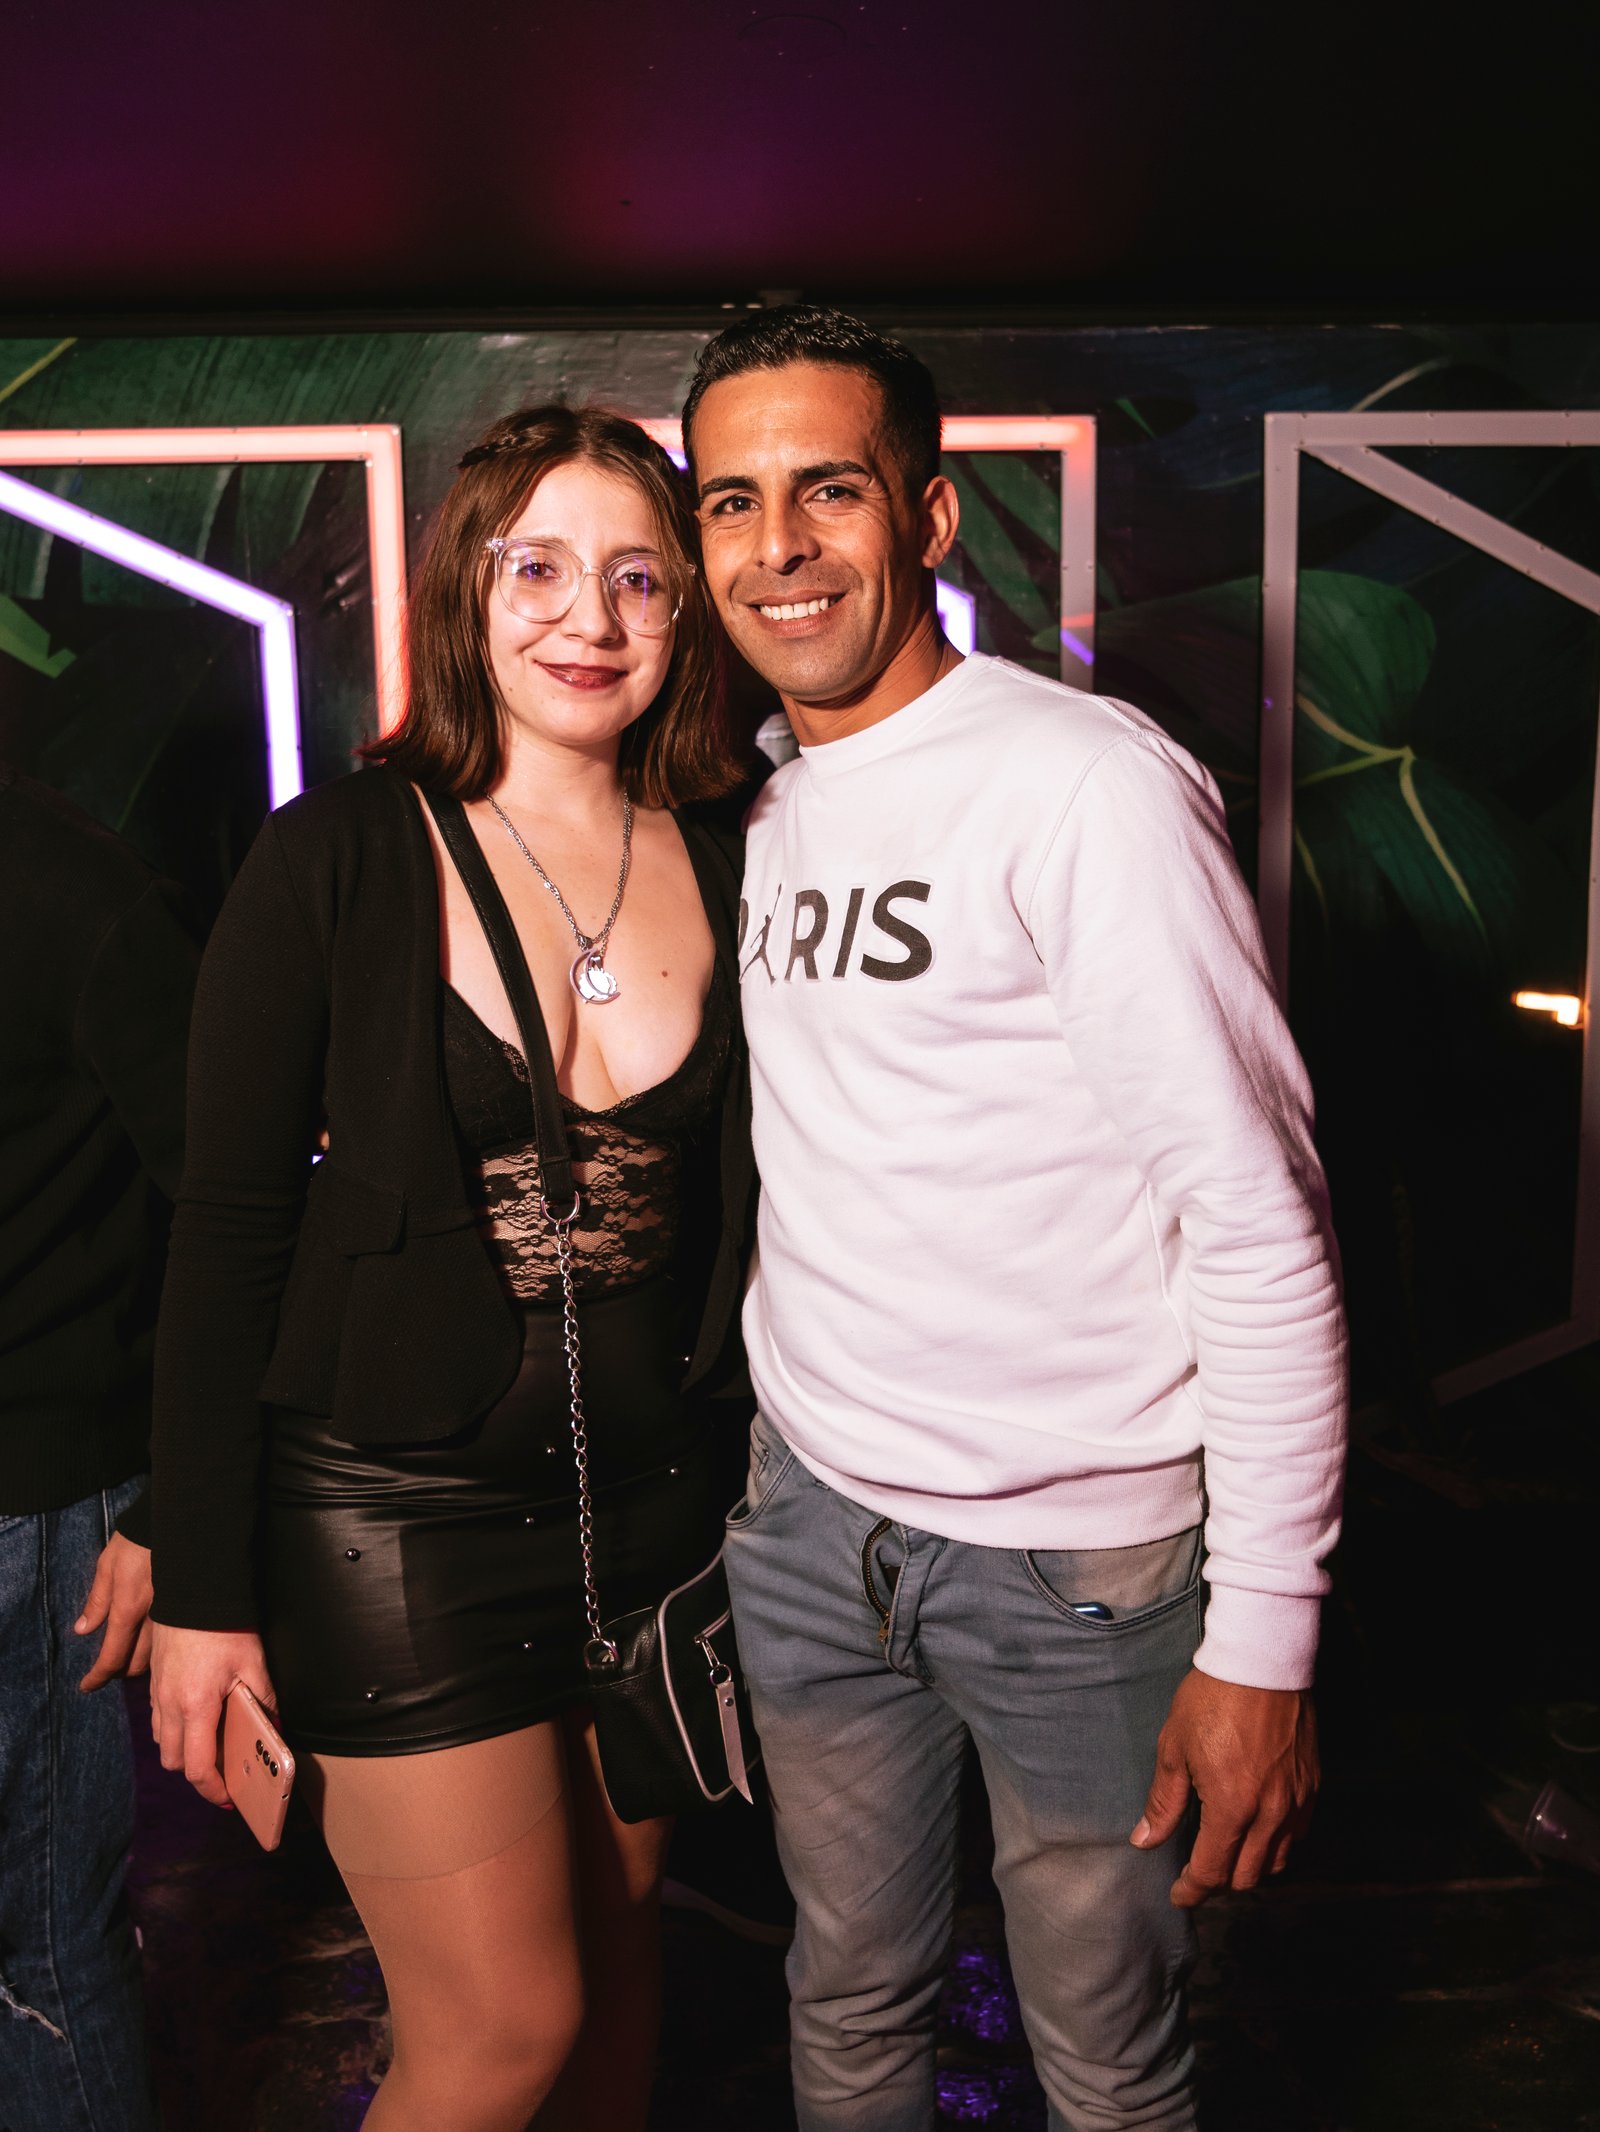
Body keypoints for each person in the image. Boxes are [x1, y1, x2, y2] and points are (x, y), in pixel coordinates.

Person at [682, 306, 1349, 2132]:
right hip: (814, 1528)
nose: (779, 546)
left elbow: (1259, 1224)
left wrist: (1265, 1638)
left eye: (830, 491)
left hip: (1079, 1578)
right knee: (845, 2006)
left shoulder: (1083, 784)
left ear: (929, 513)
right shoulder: (770, 803)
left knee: (1110, 2072)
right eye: (732, 502)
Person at [145, 406, 754, 2132]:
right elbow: (226, 1228)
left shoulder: (738, 845)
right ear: (464, 592)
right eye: (537, 568)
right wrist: (202, 1586)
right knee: (504, 2031)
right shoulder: (338, 853)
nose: (590, 618)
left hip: (655, 1519)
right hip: (396, 1525)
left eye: (638, 578)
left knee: (621, 1991)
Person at [0, 763, 198, 2132]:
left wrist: (173, 1506)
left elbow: (237, 1214)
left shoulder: (80, 893)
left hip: (34, 1504)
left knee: (43, 1941)